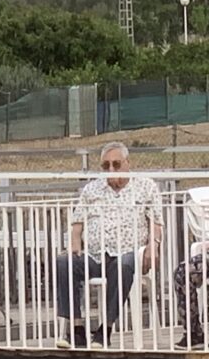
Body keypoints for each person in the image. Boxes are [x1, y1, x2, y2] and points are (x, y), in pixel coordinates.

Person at [53, 143, 161, 345]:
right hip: (94, 255)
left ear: (128, 164)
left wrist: (153, 246)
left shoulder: (146, 187)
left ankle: (105, 329)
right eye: (106, 166)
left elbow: (155, 223)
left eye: (116, 164)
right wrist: (75, 244)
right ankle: (76, 328)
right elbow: (77, 225)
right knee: (63, 262)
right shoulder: (91, 189)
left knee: (124, 266)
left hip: (128, 253)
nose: (111, 170)